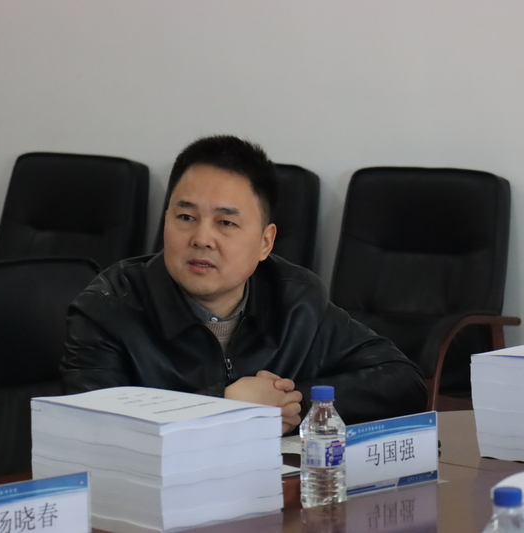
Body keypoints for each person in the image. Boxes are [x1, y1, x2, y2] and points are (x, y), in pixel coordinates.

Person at [61, 135, 428, 433]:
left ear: (265, 242)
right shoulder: (109, 307)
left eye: (226, 223)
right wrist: (224, 406)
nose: (202, 238)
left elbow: (403, 382)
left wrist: (292, 404)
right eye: (186, 217)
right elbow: (92, 431)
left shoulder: (295, 299)